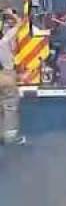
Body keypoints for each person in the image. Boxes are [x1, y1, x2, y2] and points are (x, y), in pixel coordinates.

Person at [0, 9, 24, 145]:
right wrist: (11, 14)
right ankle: (10, 137)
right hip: (5, 75)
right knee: (9, 106)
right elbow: (19, 24)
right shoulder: (4, 41)